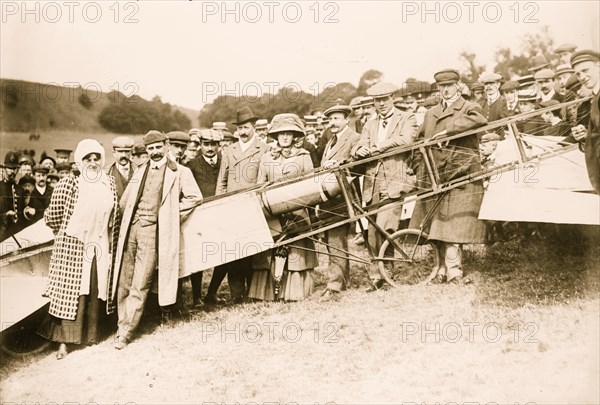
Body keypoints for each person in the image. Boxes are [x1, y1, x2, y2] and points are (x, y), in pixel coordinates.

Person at [113, 130, 202, 349]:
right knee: (125, 280)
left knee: (141, 282)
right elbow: (125, 203)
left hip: (153, 233)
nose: (154, 152)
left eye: (158, 147)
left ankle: (126, 331)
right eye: (150, 148)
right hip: (132, 229)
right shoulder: (141, 170)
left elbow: (194, 197)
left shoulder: (179, 172)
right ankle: (120, 323)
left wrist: (170, 215)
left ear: (166, 145)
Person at [37, 139, 119, 359]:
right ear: (80, 161)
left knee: (94, 288)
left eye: (96, 159)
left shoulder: (109, 184)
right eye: (88, 159)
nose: (93, 163)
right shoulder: (69, 184)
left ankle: (91, 336)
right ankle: (64, 342)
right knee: (70, 292)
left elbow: (114, 216)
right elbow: (53, 217)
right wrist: (65, 235)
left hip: (99, 244)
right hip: (72, 245)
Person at [409, 69, 488, 285]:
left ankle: (454, 271)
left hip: (460, 173)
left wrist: (450, 130)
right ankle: (440, 269)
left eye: (450, 86)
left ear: (458, 86)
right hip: (435, 175)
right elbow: (419, 141)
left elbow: (480, 120)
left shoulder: (468, 106)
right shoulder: (430, 112)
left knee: (453, 224)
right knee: (436, 224)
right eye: (441, 86)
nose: (445, 90)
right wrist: (417, 166)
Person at [351, 82, 419, 292]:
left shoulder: (406, 117)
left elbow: (407, 139)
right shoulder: (370, 124)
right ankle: (377, 277)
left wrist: (379, 146)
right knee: (371, 232)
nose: (380, 104)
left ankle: (386, 272)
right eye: (376, 101)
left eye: (384, 99)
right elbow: (359, 144)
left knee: (386, 226)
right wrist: (360, 150)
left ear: (392, 98)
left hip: (395, 180)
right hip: (373, 183)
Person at [248, 113, 317, 302]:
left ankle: (294, 291)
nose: (285, 137)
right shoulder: (266, 158)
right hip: (272, 211)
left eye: (289, 133)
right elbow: (259, 184)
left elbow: (311, 183)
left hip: (297, 210)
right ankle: (267, 292)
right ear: (275, 136)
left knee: (296, 249)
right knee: (270, 250)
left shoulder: (304, 156)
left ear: (295, 135)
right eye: (281, 134)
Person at [208, 107, 269, 304]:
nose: (243, 131)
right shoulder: (229, 150)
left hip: (252, 206)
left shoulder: (264, 148)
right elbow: (222, 181)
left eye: (246, 127)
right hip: (231, 207)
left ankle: (253, 291)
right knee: (234, 251)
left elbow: (264, 179)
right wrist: (220, 204)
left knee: (252, 250)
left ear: (254, 127)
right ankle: (236, 293)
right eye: (240, 128)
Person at [318, 104, 361, 301]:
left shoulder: (353, 138)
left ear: (346, 120)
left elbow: (357, 164)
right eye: (330, 119)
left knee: (336, 240)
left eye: (336, 119)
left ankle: (334, 286)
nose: (332, 123)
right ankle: (341, 281)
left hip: (342, 196)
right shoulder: (330, 141)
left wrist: (340, 165)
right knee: (333, 242)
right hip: (329, 197)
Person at [185, 129, 224, 306]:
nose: (209, 148)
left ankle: (212, 293)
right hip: (199, 216)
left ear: (219, 145)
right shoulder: (192, 165)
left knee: (223, 254)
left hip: (220, 213)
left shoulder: (224, 161)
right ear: (200, 145)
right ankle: (196, 297)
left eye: (213, 144)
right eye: (206, 144)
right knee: (199, 256)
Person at [570, 50, 600, 193]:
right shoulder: (596, 96)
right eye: (578, 74)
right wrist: (586, 136)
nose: (582, 77)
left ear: (598, 66)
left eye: (585, 70)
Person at [0, 151, 27, 242]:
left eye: (14, 168)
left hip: (17, 233)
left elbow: (22, 214)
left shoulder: (20, 190)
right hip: (2, 233)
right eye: (9, 168)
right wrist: (5, 215)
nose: (12, 171)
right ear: (4, 168)